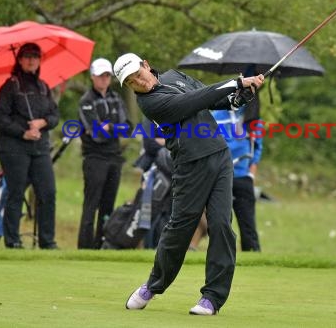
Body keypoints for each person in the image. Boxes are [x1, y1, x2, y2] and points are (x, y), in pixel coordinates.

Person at [113, 52, 264, 315]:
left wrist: (241, 95)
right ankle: (153, 285)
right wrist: (237, 82)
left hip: (219, 156)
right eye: (132, 82)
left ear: (146, 65)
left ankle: (212, 298)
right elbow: (194, 100)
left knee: (221, 225)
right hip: (189, 166)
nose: (140, 82)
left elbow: (215, 100)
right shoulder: (150, 104)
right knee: (179, 231)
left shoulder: (176, 76)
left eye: (139, 74)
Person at [0, 42, 59, 249]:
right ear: (20, 60)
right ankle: (12, 241)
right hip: (13, 149)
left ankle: (47, 242)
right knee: (16, 193)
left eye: (35, 56)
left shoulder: (43, 87)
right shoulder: (10, 86)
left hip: (39, 149)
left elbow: (55, 115)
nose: (31, 60)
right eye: (27, 56)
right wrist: (23, 132)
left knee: (48, 192)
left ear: (39, 61)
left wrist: (42, 123)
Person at [77, 58, 133, 249]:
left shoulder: (116, 98)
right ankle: (84, 246)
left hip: (114, 158)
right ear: (93, 76)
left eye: (107, 75)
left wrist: (109, 126)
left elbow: (128, 128)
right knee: (91, 204)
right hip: (95, 158)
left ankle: (101, 244)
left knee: (108, 205)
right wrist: (110, 128)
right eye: (100, 75)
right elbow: (96, 134)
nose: (104, 79)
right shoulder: (86, 101)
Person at [212, 106, 263, 251]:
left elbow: (257, 148)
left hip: (242, 176)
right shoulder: (215, 116)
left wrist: (251, 175)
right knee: (220, 221)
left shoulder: (251, 116)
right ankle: (221, 255)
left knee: (248, 223)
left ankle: (252, 255)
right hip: (220, 177)